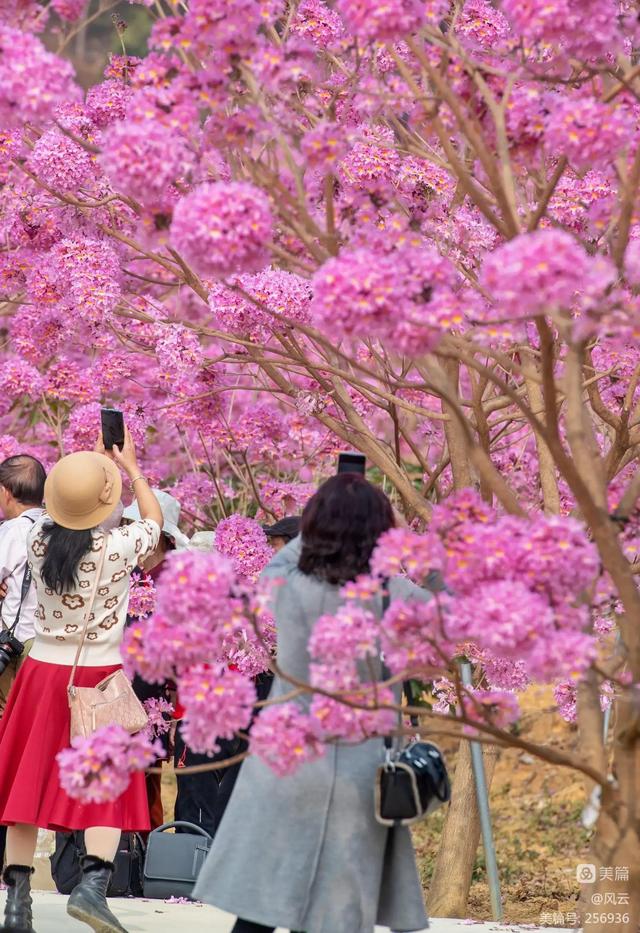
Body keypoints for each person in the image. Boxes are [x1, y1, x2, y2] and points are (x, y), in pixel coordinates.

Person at [194, 473, 430, 933]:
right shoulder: (391, 593)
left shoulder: (288, 582)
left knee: (262, 902)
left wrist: (323, 523)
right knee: (334, 907)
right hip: (359, 769)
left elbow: (287, 556)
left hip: (287, 758)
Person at [0, 429, 162, 933]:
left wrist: (91, 465)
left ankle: (17, 904)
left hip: (42, 671)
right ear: (105, 502)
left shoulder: (37, 537)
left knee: (25, 791)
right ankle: (92, 889)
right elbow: (154, 522)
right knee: (105, 787)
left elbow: (68, 506)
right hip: (100, 676)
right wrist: (128, 469)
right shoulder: (119, 546)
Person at [122, 489, 189, 831]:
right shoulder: (128, 573)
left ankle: (142, 855)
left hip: (157, 694)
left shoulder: (176, 578)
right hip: (121, 688)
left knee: (146, 783)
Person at [0, 455, 46, 869]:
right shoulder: (62, 529)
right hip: (52, 653)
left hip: (14, 650)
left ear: (6, 493)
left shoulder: (12, 532)